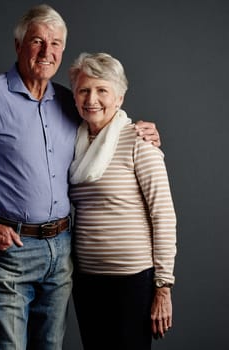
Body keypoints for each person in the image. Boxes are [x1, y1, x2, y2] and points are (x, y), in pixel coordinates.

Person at [0, 4, 161, 350]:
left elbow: (105, 128)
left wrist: (141, 131)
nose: (47, 52)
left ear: (63, 49)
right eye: (37, 41)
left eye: (56, 43)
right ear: (18, 45)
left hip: (62, 252)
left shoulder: (68, 102)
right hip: (8, 252)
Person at [68, 52, 177, 350]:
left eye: (102, 90)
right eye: (84, 90)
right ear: (75, 97)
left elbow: (163, 215)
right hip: (87, 281)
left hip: (132, 282)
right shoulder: (72, 144)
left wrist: (163, 287)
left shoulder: (139, 141)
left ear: (119, 98)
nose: (92, 99)